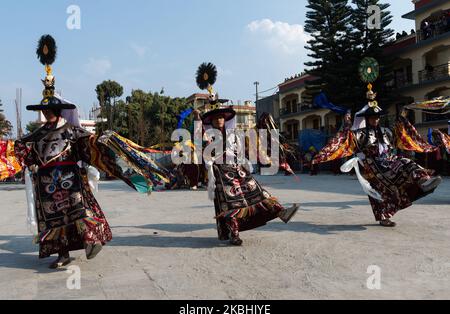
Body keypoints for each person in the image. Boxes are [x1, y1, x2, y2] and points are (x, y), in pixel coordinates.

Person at [0, 35, 169, 268]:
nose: (48, 113)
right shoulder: (36, 135)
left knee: (81, 213)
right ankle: (63, 255)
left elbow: (90, 145)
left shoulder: (71, 130)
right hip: (47, 185)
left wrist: (105, 141)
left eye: (52, 109)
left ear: (59, 110)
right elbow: (18, 151)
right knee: (56, 222)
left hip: (70, 181)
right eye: (45, 110)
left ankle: (92, 241)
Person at [313, 59, 442, 227]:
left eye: (377, 117)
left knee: (406, 162)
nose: (376, 119)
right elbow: (346, 138)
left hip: (389, 162)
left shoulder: (386, 132)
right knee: (378, 192)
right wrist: (346, 119)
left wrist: (403, 115)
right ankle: (384, 217)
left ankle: (423, 180)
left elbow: (398, 136)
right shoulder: (359, 134)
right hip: (372, 166)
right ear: (367, 118)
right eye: (373, 117)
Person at [191, 63, 299, 246]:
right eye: (216, 117)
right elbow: (198, 141)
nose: (219, 120)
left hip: (237, 169)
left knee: (258, 192)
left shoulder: (234, 135)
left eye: (221, 117)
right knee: (231, 205)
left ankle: (281, 212)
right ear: (212, 120)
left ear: (225, 119)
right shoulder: (208, 134)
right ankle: (234, 234)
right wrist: (196, 120)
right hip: (220, 173)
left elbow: (242, 149)